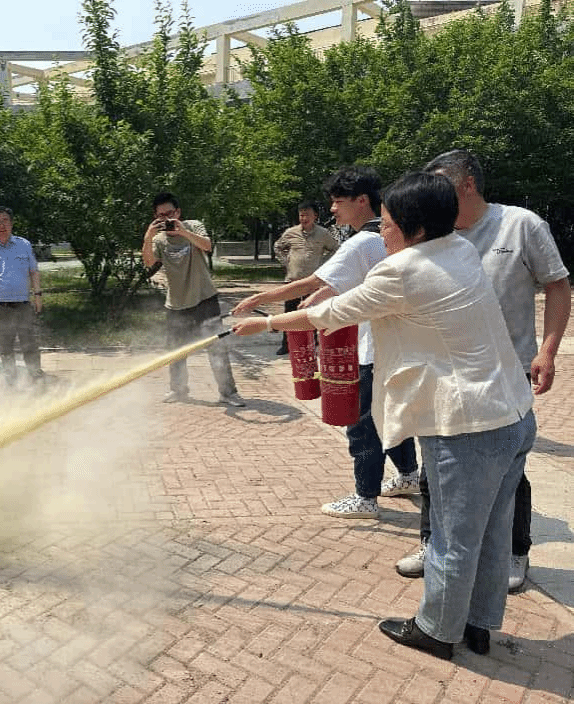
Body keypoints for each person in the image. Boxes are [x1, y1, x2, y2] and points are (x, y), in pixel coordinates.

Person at [233, 171, 536, 659]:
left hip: (469, 426)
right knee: (492, 531)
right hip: (514, 415)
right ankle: (477, 623)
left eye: (389, 224)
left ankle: (437, 631)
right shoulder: (459, 248)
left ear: (416, 228)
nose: (382, 233)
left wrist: (266, 323)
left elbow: (328, 313)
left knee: (453, 538)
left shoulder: (403, 271)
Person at [394, 150, 571, 591]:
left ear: (467, 183)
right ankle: (432, 542)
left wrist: (548, 352)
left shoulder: (521, 225)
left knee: (508, 465)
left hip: (504, 372)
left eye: (442, 186)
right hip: (441, 370)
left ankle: (514, 551)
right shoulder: (434, 230)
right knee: (435, 460)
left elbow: (557, 286)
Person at [233, 166, 418, 519]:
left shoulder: (362, 241)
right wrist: (318, 295)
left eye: (337, 202)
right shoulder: (389, 236)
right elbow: (338, 283)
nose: (332, 209)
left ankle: (365, 497)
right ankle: (408, 475)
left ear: (361, 201)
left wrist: (262, 299)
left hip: (372, 348)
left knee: (361, 423)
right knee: (391, 416)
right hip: (396, 345)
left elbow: (311, 281)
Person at [142, 192, 244, 407]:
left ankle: (228, 393)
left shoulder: (194, 226)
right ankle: (178, 390)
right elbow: (149, 262)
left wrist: (183, 232)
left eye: (170, 213)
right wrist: (148, 236)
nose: (167, 219)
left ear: (178, 212)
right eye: (161, 216)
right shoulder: (159, 239)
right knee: (176, 351)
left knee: (216, 346)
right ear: (155, 217)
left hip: (204, 298)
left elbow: (207, 246)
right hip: (176, 304)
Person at [0, 206, 44, 386]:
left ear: (11, 223)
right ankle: (11, 381)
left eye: (5, 220)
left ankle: (36, 377)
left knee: (29, 344)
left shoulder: (24, 245)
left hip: (23, 304)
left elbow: (34, 271)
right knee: (5, 347)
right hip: (0, 306)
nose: (2, 225)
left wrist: (38, 296)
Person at [272, 201, 338, 354]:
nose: (304, 218)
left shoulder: (323, 234)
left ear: (315, 216)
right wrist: (286, 262)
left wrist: (324, 265)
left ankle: (311, 343)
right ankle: (287, 344)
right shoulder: (291, 232)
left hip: (313, 282)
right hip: (293, 280)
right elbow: (278, 247)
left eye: (307, 215)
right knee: (289, 313)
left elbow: (336, 249)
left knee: (311, 313)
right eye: (301, 215)